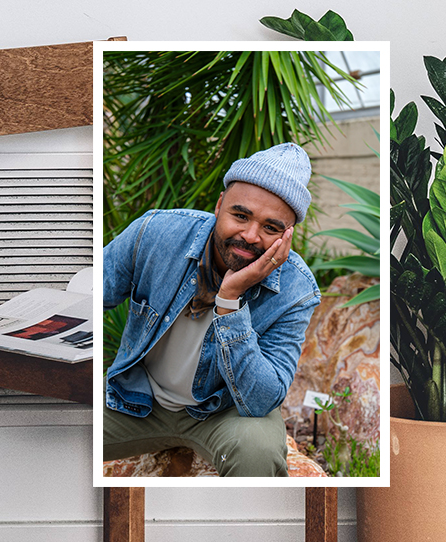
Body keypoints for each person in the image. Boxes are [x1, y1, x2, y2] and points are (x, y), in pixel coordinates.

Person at [102, 143, 322, 477]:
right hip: (137, 400)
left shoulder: (296, 291)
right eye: (241, 215)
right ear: (220, 206)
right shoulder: (157, 234)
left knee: (257, 450)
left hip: (222, 413)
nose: (249, 236)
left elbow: (263, 399)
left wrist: (230, 300)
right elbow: (90, 296)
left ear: (288, 235)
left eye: (271, 227)